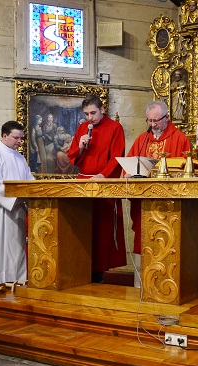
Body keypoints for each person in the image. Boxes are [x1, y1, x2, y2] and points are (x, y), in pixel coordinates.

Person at [67, 94, 126, 283]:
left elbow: (117, 156)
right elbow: (74, 158)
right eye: (86, 114)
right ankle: (80, 265)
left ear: (102, 109)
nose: (89, 118)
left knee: (101, 229)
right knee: (82, 225)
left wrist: (103, 175)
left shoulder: (115, 128)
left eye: (93, 113)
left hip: (103, 183)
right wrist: (81, 147)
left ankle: (98, 271)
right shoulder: (82, 128)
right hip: (84, 182)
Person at [126, 100, 191, 255]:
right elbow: (129, 164)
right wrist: (129, 173)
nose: (152, 124)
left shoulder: (180, 139)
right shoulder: (142, 139)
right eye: (149, 120)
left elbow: (185, 170)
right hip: (144, 200)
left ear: (167, 117)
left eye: (156, 120)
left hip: (168, 202)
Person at [0, 121, 34, 285]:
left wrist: (32, 194)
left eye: (21, 138)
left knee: (16, 250)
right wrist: (16, 198)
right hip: (0, 210)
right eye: (16, 138)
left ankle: (16, 281)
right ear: (4, 136)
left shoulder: (20, 158)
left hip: (18, 211)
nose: (20, 141)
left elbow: (29, 181)